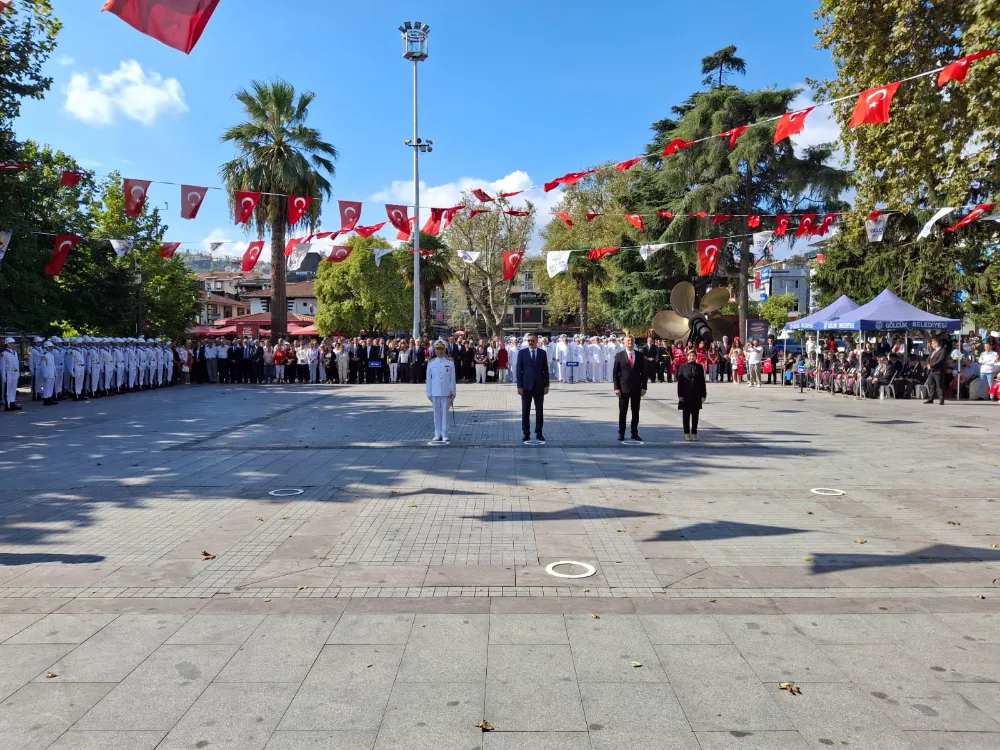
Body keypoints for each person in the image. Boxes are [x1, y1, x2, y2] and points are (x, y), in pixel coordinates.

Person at [613, 334, 647, 441]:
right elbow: (615, 373)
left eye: (631, 340)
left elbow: (644, 373)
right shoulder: (619, 355)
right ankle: (621, 433)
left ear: (634, 342)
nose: (630, 342)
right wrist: (616, 387)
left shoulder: (640, 355)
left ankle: (634, 433)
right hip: (623, 388)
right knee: (623, 412)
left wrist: (644, 387)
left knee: (635, 412)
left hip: (636, 388)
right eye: (628, 341)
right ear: (624, 342)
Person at [516, 333, 549, 442]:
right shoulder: (522, 353)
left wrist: (546, 385)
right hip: (526, 387)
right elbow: (518, 370)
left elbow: (546, 370)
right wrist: (519, 386)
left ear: (537, 341)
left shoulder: (542, 353)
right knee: (525, 411)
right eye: (529, 340)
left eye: (532, 341)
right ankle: (526, 433)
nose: (530, 342)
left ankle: (539, 433)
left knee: (539, 411)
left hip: (539, 386)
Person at [425, 339, 456, 442]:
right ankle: (437, 433)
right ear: (435, 350)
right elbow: (428, 380)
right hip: (435, 391)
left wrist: (453, 391)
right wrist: (428, 392)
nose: (440, 351)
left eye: (442, 349)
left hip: (446, 391)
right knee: (436, 413)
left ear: (445, 350)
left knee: (445, 414)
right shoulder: (431, 363)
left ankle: (445, 433)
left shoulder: (450, 363)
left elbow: (452, 378)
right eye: (438, 349)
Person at [676, 348, 707, 441]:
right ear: (687, 357)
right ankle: (686, 433)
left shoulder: (699, 367)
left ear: (695, 357)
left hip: (696, 394)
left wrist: (703, 394)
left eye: (693, 356)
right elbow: (680, 382)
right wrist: (680, 395)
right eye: (690, 355)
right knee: (686, 415)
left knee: (695, 415)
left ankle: (694, 433)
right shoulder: (682, 367)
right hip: (686, 394)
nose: (691, 357)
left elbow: (702, 381)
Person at [925, 337, 949, 405]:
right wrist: (928, 364)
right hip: (931, 371)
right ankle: (930, 399)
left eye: (932, 344)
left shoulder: (943, 351)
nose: (931, 345)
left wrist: (931, 365)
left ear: (936, 344)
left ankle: (941, 400)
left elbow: (940, 360)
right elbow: (928, 359)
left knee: (939, 386)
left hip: (938, 371)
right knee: (931, 385)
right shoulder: (933, 351)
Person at [2, 337, 21, 411]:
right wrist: (4, 376)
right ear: (7, 344)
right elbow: (2, 366)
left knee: (13, 389)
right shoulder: (4, 353)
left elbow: (17, 363)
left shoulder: (15, 353)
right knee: (8, 390)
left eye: (13, 343)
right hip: (8, 373)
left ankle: (12, 402)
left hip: (15, 372)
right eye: (12, 343)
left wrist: (18, 372)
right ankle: (8, 404)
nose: (13, 344)